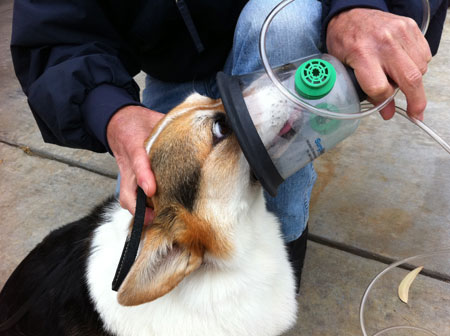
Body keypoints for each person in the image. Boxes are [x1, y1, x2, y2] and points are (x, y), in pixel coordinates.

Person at [11, 0, 448, 291]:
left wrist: (358, 4)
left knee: (283, 22)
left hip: (281, 25)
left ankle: (285, 235)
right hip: (171, 55)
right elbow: (54, 30)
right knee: (161, 206)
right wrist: (111, 111)